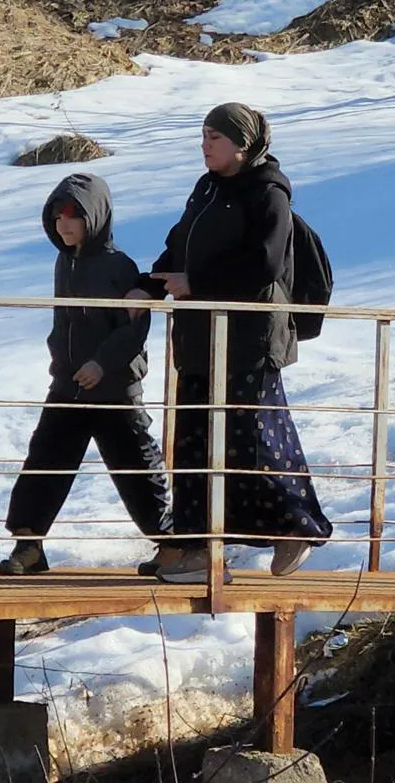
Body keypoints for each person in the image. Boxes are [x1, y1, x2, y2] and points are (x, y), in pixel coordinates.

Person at [128, 103, 331, 584]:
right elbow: (179, 245)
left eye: (214, 138)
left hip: (248, 340)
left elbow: (262, 264)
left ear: (243, 145)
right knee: (196, 442)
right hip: (200, 338)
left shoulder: (268, 192)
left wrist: (194, 282)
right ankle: (200, 547)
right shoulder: (207, 188)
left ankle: (296, 529)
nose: (205, 146)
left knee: (254, 437)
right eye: (202, 136)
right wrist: (150, 285)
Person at [0, 173, 173, 576]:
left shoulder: (118, 265)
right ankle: (29, 545)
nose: (64, 223)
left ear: (94, 216)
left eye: (73, 214)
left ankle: (172, 545)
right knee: (44, 459)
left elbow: (134, 327)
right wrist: (61, 359)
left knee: (137, 467)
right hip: (69, 385)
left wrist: (102, 363)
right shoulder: (65, 261)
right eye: (57, 215)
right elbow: (66, 323)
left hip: (113, 388)